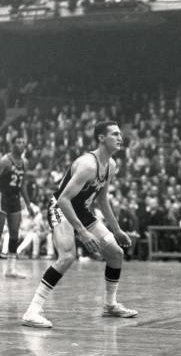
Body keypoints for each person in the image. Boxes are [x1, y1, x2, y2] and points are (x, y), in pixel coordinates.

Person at [22, 121, 137, 328]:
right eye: (115, 134)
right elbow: (64, 199)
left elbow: (102, 200)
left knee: (116, 253)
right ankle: (32, 311)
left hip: (81, 210)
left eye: (120, 134)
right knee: (67, 256)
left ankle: (110, 305)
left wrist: (117, 229)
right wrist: (82, 232)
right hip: (60, 207)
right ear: (101, 138)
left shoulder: (111, 166)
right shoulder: (88, 165)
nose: (120, 138)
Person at [0, 136, 34, 279]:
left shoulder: (25, 162)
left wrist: (28, 204)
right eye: (18, 142)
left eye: (23, 142)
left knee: (14, 233)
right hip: (2, 197)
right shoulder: (5, 161)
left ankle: (11, 269)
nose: (21, 145)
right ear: (12, 144)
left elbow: (23, 185)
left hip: (15, 199)